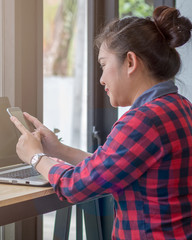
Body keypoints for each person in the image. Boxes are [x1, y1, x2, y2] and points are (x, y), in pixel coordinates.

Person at [10, 6, 192, 240]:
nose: (101, 79)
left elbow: (73, 187)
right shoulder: (180, 106)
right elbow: (110, 167)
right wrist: (59, 150)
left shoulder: (142, 121)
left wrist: (36, 158)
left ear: (130, 62)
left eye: (104, 65)